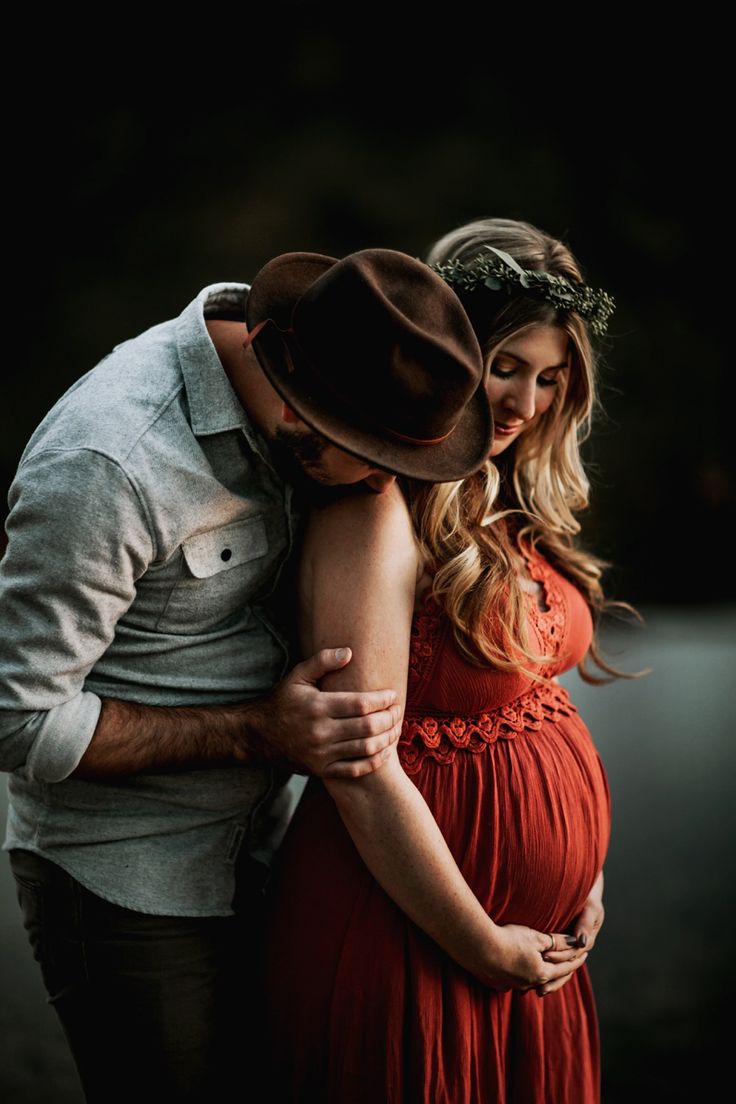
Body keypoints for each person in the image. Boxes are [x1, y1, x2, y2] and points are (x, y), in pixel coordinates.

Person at [0, 248, 494, 1103]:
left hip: (264, 850)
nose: (386, 483)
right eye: (375, 457)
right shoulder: (109, 464)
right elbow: (18, 720)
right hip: (127, 884)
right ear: (303, 404)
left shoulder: (330, 351)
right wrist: (258, 730)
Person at [263, 217, 621, 1102]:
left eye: (551, 377)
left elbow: (540, 704)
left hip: (528, 953)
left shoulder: (506, 498)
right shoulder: (374, 508)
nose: (525, 405)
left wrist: (583, 874)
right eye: (505, 367)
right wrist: (483, 942)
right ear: (444, 348)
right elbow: (359, 766)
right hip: (412, 935)